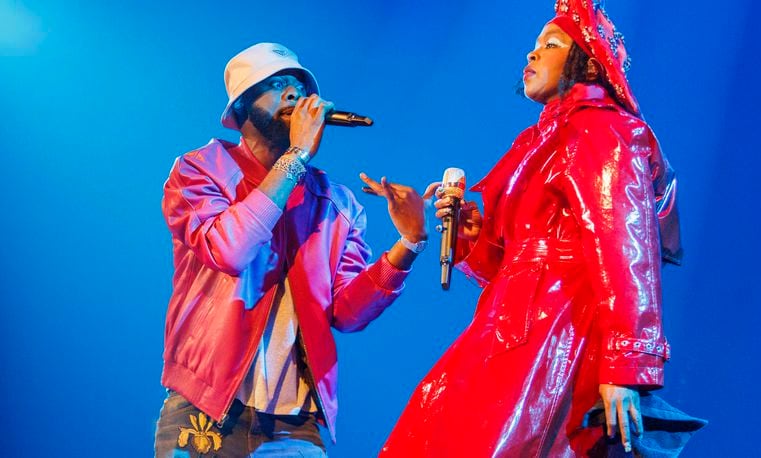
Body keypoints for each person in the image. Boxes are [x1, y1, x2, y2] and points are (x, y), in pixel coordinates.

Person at [380, 1, 702, 456]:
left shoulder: (602, 130)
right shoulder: (540, 140)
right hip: (513, 329)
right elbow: (513, 261)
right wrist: (475, 232)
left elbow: (626, 248)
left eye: (550, 45)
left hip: (560, 334)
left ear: (589, 63)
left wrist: (625, 365)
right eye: (532, 46)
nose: (531, 55)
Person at [154, 42, 430, 457]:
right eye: (277, 84)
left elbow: (346, 313)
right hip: (205, 409)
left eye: (299, 86)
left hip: (294, 426)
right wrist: (296, 156)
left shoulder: (337, 203)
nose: (294, 94)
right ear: (242, 107)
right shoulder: (201, 169)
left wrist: (408, 244)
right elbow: (229, 251)